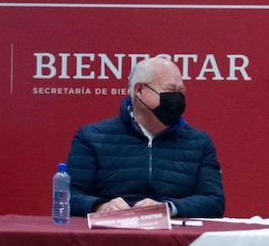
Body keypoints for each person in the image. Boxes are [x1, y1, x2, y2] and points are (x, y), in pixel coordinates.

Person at [66, 56, 225, 218]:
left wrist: (169, 208)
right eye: (171, 91)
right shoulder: (92, 137)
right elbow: (68, 196)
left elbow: (214, 202)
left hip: (175, 238)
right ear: (140, 90)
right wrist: (99, 206)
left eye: (181, 92)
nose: (177, 99)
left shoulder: (199, 142)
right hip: (110, 236)